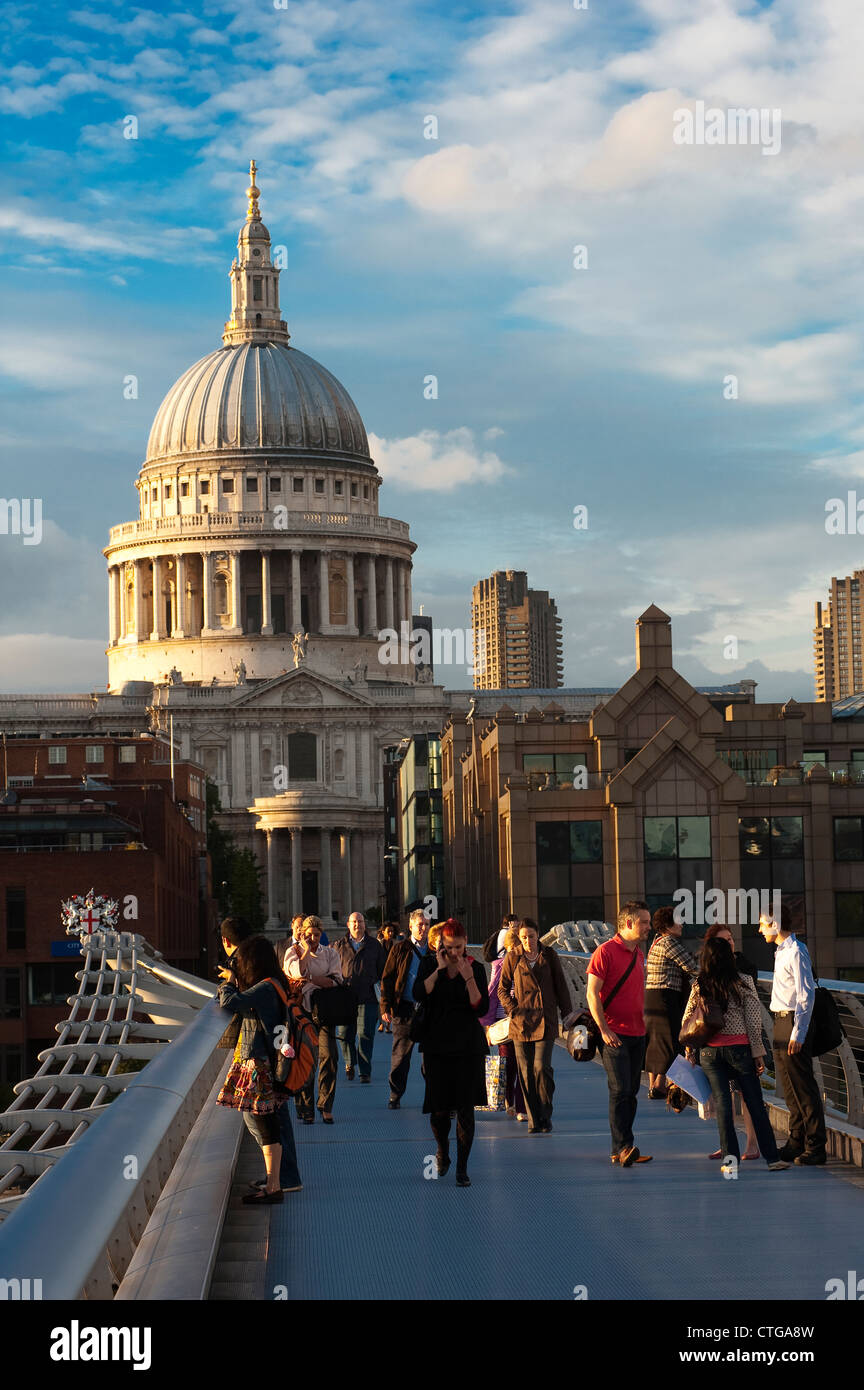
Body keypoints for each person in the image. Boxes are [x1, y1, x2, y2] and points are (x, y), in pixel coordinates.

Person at [682, 935, 789, 1171]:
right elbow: (753, 1021)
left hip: (710, 1053)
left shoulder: (700, 983)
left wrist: (690, 1049)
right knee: (754, 1103)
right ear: (730, 958)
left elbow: (688, 1018)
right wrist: (758, 1053)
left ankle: (730, 1162)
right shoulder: (743, 981)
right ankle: (773, 1159)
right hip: (739, 1050)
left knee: (723, 1106)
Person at [217, 917, 303, 1197]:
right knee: (265, 1118)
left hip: (261, 1059)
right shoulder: (271, 983)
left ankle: (280, 1179)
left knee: (264, 1120)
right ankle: (278, 1177)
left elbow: (231, 1002)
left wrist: (228, 983)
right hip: (267, 1057)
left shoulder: (266, 987)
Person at [414, 918, 489, 1186]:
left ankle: (462, 1168)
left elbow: (480, 1009)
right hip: (437, 1046)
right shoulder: (428, 965)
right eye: (449, 947)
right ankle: (443, 1151)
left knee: (466, 1110)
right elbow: (418, 993)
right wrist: (439, 970)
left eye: (459, 946)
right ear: (441, 946)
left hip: (468, 1047)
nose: (455, 952)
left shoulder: (476, 969)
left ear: (465, 944)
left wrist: (468, 979)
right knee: (439, 1111)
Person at [758, 904, 827, 1165]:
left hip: (792, 1024)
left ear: (776, 925)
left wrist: (799, 1033)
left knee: (804, 1087)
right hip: (779, 1021)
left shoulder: (797, 951)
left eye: (763, 923)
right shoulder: (781, 952)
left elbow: (805, 995)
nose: (760, 929)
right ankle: (796, 1142)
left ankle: (816, 1147)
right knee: (788, 1088)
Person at [587, 901, 652, 1167]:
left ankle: (627, 1144)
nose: (649, 927)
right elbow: (592, 993)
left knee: (633, 1090)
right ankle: (622, 1148)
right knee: (620, 1090)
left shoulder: (638, 953)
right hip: (613, 1033)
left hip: (638, 1032)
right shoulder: (605, 952)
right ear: (628, 923)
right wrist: (603, 1028)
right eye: (644, 922)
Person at [497, 917, 576, 1134]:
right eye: (523, 937)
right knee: (525, 1073)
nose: (528, 941)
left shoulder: (549, 955)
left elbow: (561, 987)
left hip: (545, 1020)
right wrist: (513, 1009)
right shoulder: (512, 957)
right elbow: (502, 989)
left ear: (537, 935)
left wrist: (568, 1016)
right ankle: (534, 1120)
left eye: (531, 936)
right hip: (521, 1023)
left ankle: (545, 1113)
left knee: (542, 1068)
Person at [702, 923, 760, 1160]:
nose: (730, 943)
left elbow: (752, 1014)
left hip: (739, 1044)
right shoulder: (706, 972)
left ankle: (752, 1145)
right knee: (722, 1096)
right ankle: (727, 1146)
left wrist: (756, 1049)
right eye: (724, 940)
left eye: (731, 938)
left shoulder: (744, 968)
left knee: (745, 1096)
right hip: (715, 1044)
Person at [284, 915, 343, 1124]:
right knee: (305, 1058)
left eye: (317, 935)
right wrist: (307, 954)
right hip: (302, 1012)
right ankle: (305, 1107)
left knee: (330, 1056)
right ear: (301, 934)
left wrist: (309, 979)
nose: (313, 938)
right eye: (309, 934)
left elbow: (336, 980)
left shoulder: (330, 953)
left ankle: (325, 1104)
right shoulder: (293, 952)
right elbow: (295, 971)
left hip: (325, 1010)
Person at [645, 906, 698, 1098]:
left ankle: (653, 1085)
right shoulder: (669, 942)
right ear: (668, 925)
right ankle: (660, 1086)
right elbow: (692, 967)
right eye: (678, 921)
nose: (682, 924)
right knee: (669, 1041)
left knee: (654, 1041)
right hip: (665, 996)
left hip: (651, 996)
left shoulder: (655, 942)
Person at [380, 908, 429, 1108]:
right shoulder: (400, 949)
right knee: (400, 1056)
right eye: (420, 925)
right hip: (405, 1009)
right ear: (411, 926)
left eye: (427, 924)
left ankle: (435, 1095)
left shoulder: (435, 950)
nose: (424, 928)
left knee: (432, 1058)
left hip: (428, 1010)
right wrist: (385, 1006)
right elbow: (388, 978)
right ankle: (395, 1094)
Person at [478, 924, 526, 1119]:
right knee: (507, 1064)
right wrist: (487, 1026)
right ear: (506, 948)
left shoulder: (528, 963)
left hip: (521, 1021)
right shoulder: (499, 966)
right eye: (513, 946)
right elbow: (491, 995)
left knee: (522, 1063)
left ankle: (520, 1105)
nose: (516, 950)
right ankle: (509, 1102)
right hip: (502, 1020)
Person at [335, 911, 386, 1083]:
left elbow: (382, 970)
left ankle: (364, 1071)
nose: (357, 925)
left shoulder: (374, 945)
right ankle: (350, 1063)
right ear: (348, 925)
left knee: (365, 1034)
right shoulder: (338, 946)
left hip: (368, 996)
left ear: (365, 925)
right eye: (354, 922)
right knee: (344, 1034)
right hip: (344, 997)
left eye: (360, 921)